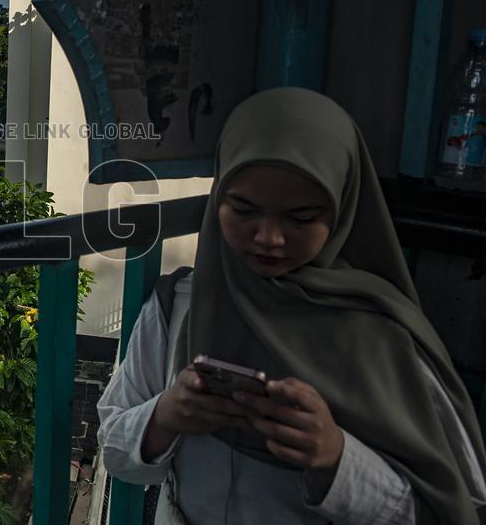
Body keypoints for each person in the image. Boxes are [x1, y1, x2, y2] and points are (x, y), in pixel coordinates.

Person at [96, 88, 486, 524]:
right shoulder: (178, 306)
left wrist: (336, 457)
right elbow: (114, 449)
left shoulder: (382, 336)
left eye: (301, 217)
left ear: (342, 210)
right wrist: (166, 414)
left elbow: (457, 507)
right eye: (243, 209)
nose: (269, 238)